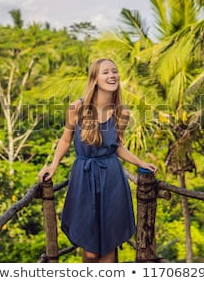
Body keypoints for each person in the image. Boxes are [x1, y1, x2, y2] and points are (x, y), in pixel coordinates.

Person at [38, 58, 157, 263]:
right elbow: (66, 139)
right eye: (106, 72)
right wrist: (53, 166)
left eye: (115, 71)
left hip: (112, 179)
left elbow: (118, 146)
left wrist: (140, 163)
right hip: (83, 177)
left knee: (109, 243)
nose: (112, 75)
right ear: (94, 78)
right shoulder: (77, 107)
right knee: (91, 250)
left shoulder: (122, 112)